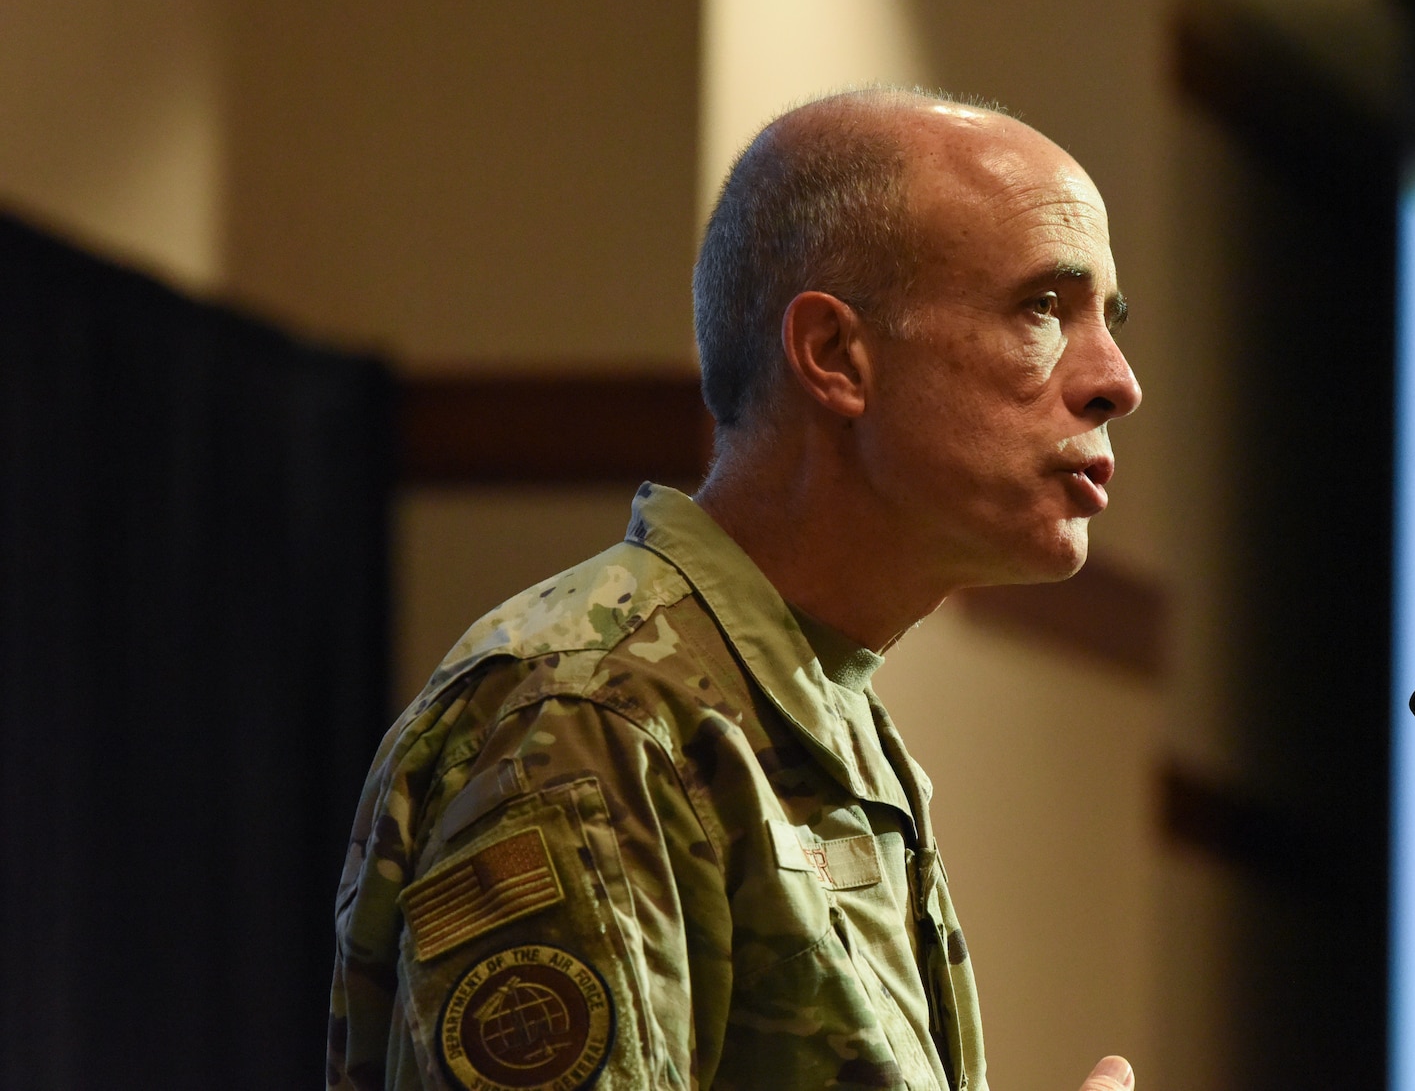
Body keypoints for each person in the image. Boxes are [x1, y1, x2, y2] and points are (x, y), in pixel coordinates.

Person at [327, 88, 1144, 1091]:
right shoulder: (587, 716)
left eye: (1105, 319)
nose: (1114, 379)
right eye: (1042, 309)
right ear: (836, 356)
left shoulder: (809, 705)